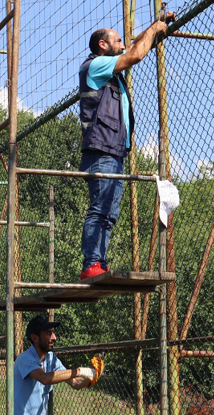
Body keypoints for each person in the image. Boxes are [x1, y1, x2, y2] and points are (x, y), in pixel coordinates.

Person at [78, 12, 177, 280]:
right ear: (103, 45)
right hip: (102, 150)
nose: (123, 44)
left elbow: (133, 50)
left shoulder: (111, 70)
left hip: (114, 150)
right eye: (118, 40)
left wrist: (155, 27)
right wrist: (155, 28)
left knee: (110, 212)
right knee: (100, 209)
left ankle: (99, 262)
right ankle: (91, 263)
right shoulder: (96, 65)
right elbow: (134, 54)